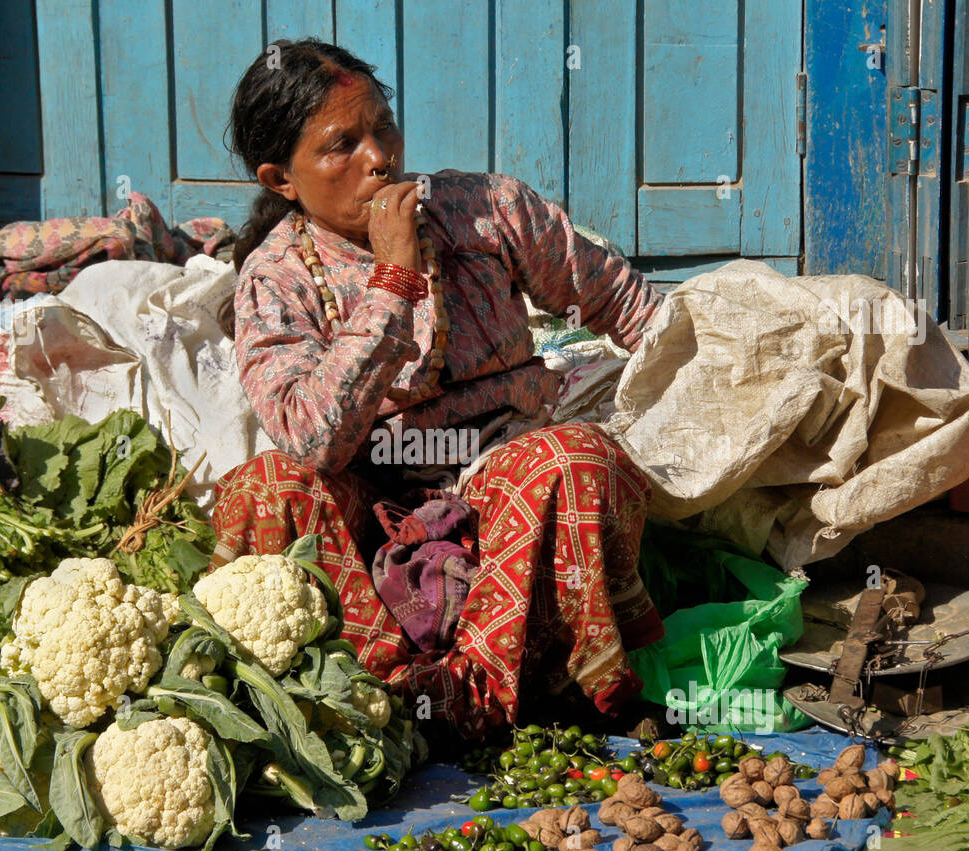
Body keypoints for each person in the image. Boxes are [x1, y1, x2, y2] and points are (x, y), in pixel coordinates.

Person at [213, 38, 667, 741]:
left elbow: (621, 301)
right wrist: (392, 282)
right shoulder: (275, 281)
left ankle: (511, 690)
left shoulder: (480, 210)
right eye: (343, 146)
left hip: (504, 489)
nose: (379, 158)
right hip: (373, 506)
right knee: (266, 488)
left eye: (383, 126)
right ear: (282, 179)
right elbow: (311, 439)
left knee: (577, 458)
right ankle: (388, 698)